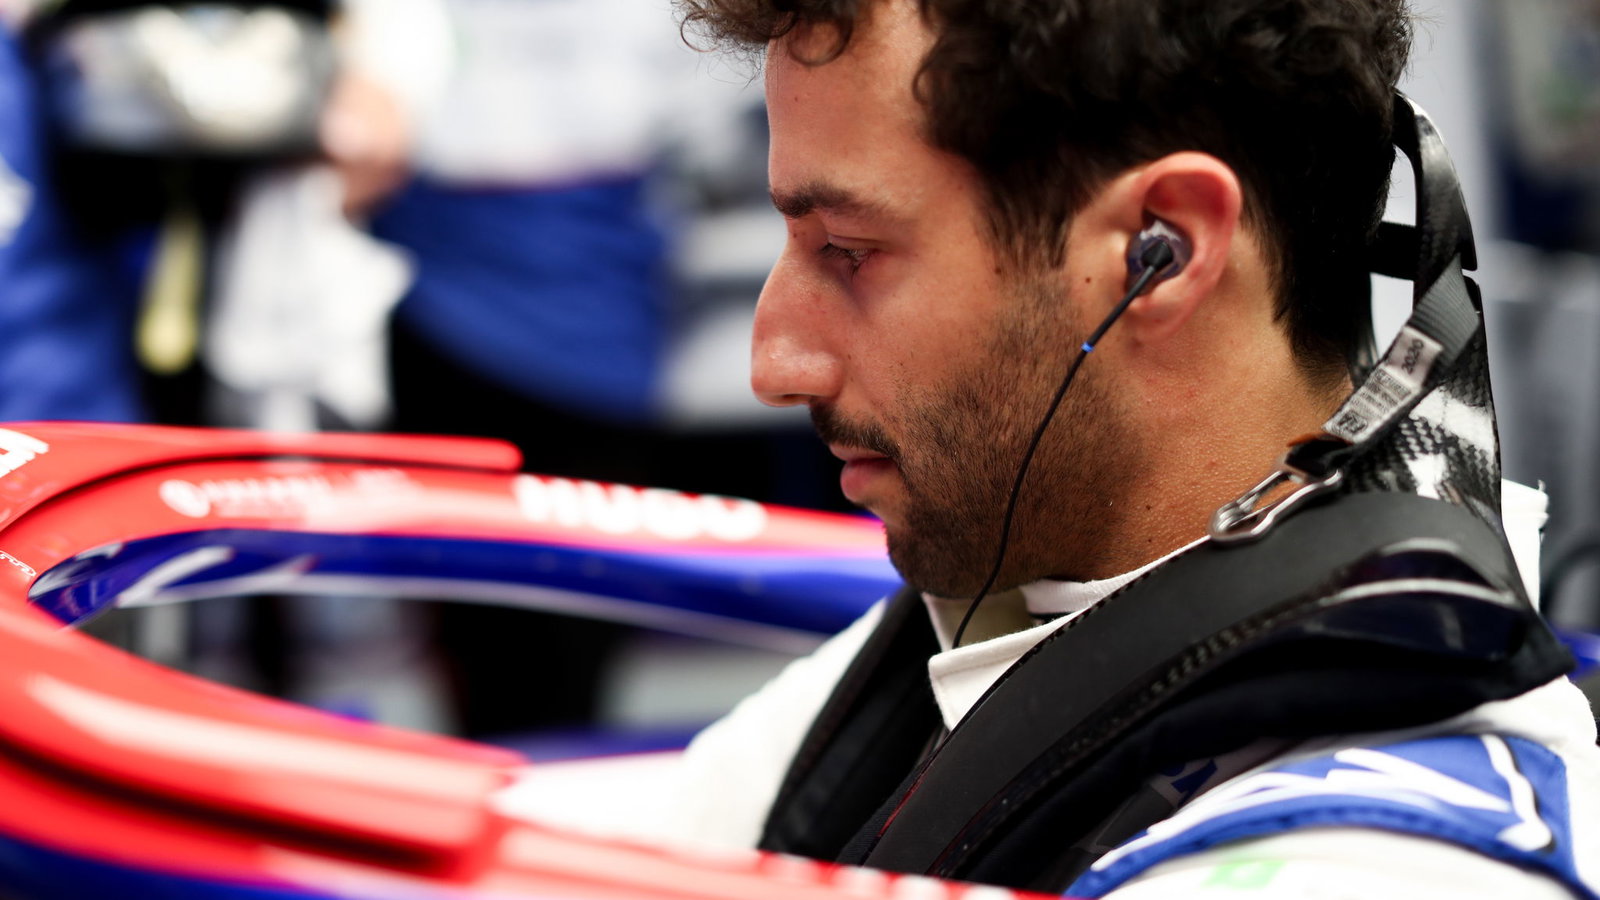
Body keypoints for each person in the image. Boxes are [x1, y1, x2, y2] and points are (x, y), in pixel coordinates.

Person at [629, 1, 1600, 897]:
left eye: (847, 250)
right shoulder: (990, 626)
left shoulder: (1380, 869)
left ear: (1160, 250)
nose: (776, 361)